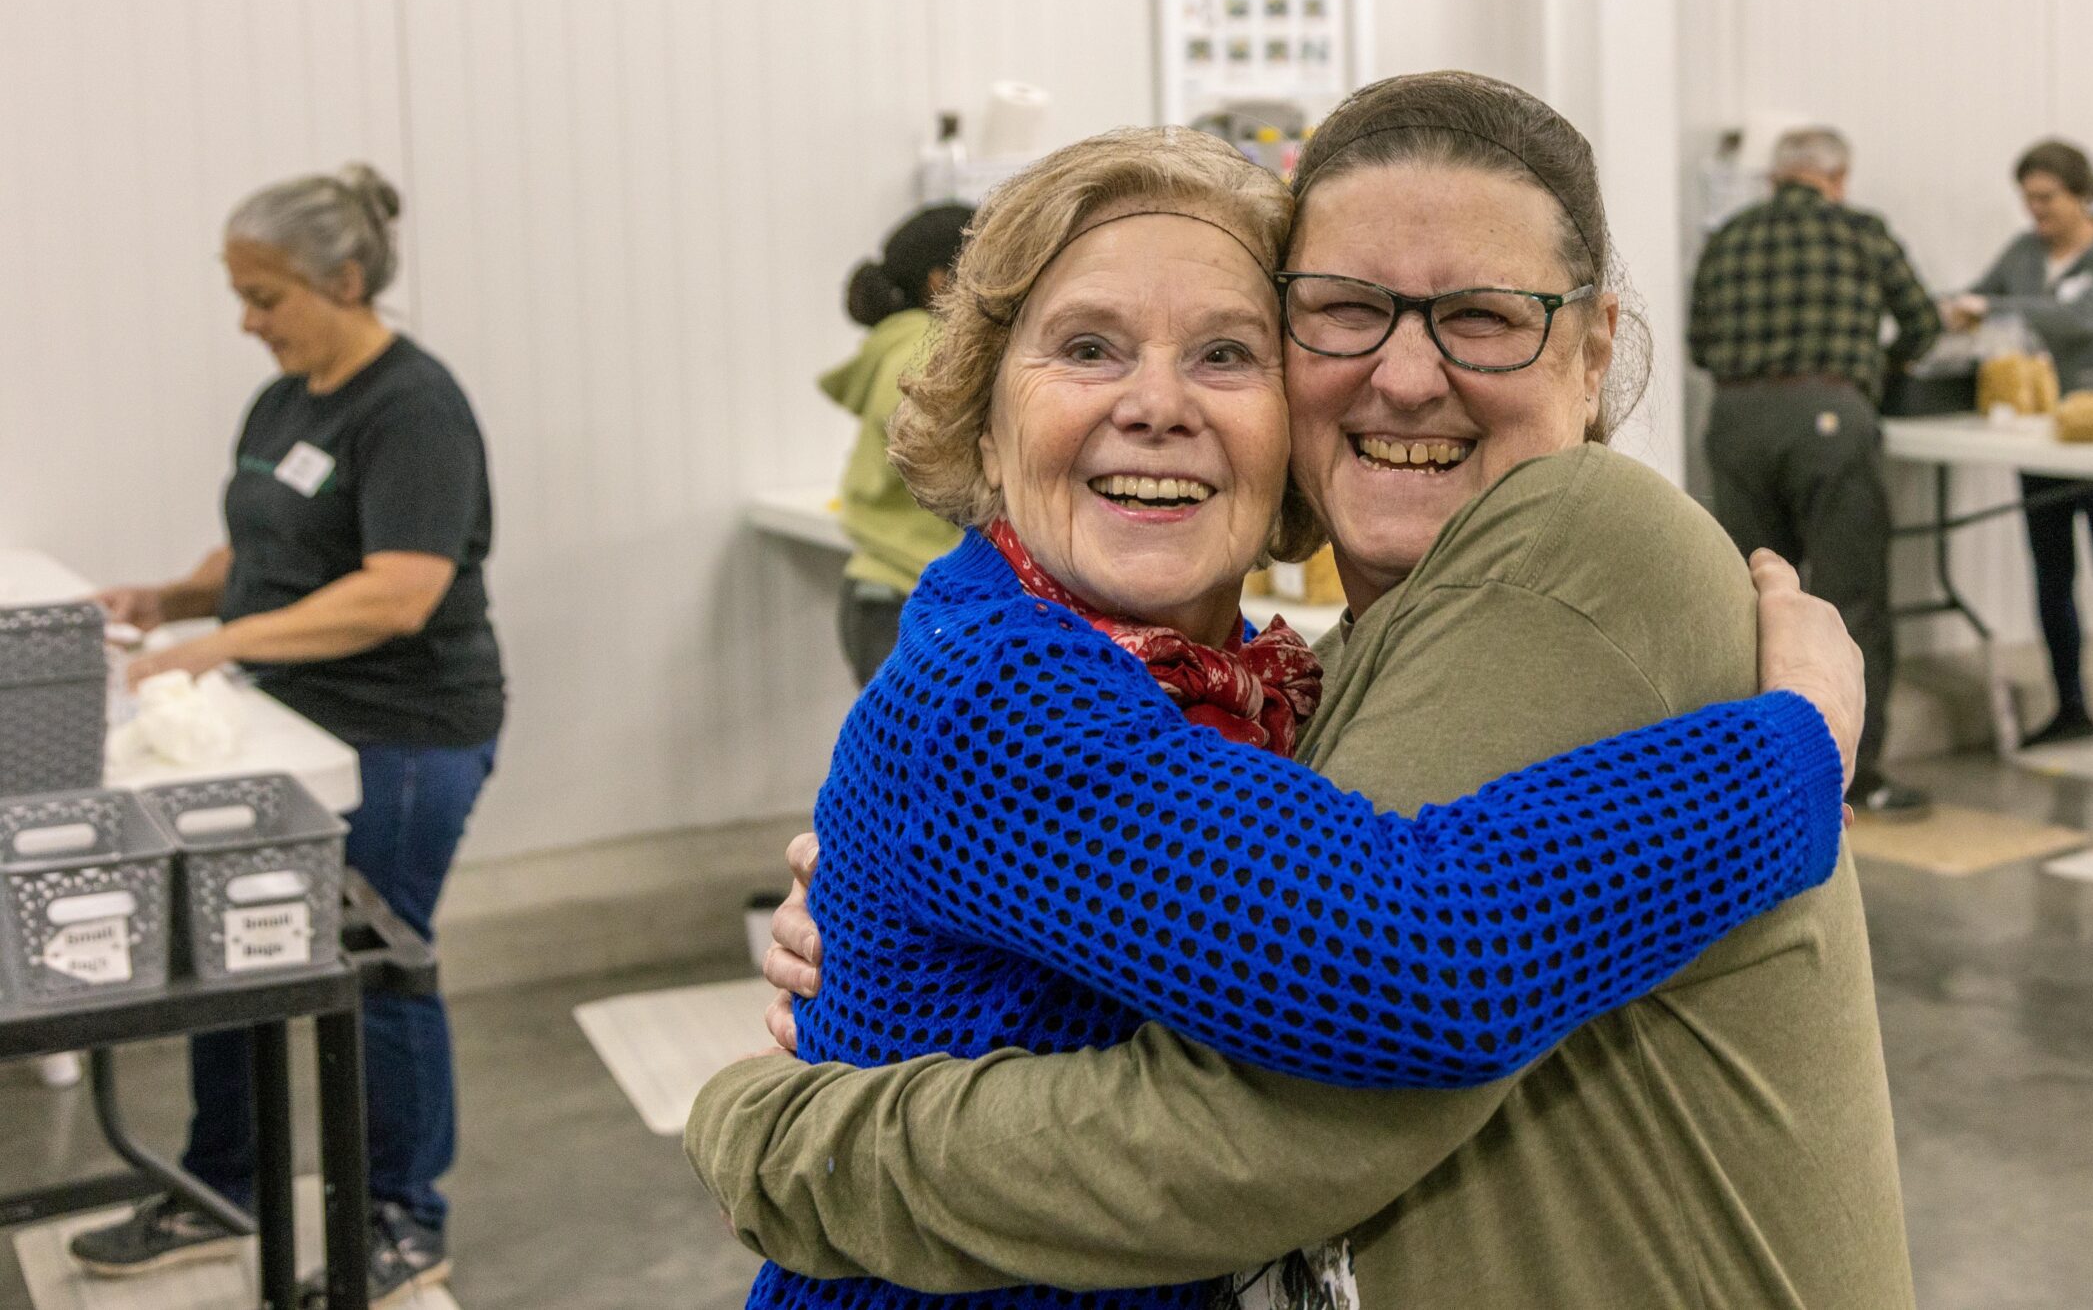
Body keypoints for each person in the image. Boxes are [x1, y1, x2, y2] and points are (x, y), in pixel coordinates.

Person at [693, 74, 1915, 1310]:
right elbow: (1398, 947)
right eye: (1344, 311)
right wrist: (1795, 750)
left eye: (1483, 317)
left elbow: (1379, 982)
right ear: (987, 416)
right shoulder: (1029, 684)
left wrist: (786, 1134)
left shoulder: (1499, 572)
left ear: (1594, 350)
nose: (1403, 375)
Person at [83, 165, 499, 1302]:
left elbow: (399, 590)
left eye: (264, 296)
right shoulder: (285, 401)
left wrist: (219, 646)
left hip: (403, 737)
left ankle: (403, 1218)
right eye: (240, 293)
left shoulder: (414, 406)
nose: (247, 320)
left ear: (344, 279)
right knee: (239, 958)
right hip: (283, 727)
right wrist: (169, 602)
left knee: (377, 966)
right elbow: (261, 540)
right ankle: (219, 1192)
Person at [1688, 123, 1944, 820]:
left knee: (1750, 601)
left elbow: (1699, 343)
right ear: (1837, 177)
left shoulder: (1729, 236)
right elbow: (1922, 325)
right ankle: (1854, 776)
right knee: (1851, 598)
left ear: (1776, 177)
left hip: (1736, 421)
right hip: (1829, 419)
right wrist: (1866, 372)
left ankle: (1744, 779)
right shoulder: (1859, 230)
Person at [1943, 138, 2093, 755]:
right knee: (2051, 573)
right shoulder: (2024, 253)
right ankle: (2071, 705)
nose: (2035, 211)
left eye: (2047, 198)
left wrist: (1989, 306)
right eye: (2028, 199)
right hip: (2038, 434)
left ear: (2081, 194)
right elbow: (1973, 296)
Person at [821, 202, 971, 682]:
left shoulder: (899, 345)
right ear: (939, 283)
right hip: (902, 603)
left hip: (884, 592)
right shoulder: (927, 351)